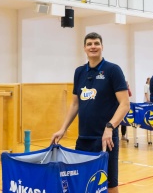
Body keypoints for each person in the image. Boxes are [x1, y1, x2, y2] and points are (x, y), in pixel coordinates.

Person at [51, 32, 130, 193]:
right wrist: (63, 129)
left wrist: (110, 127)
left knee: (109, 184)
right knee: (83, 180)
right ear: (84, 48)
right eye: (89, 44)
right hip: (83, 139)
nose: (93, 46)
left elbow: (125, 104)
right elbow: (75, 104)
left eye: (96, 43)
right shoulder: (79, 72)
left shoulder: (113, 70)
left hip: (105, 140)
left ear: (102, 47)